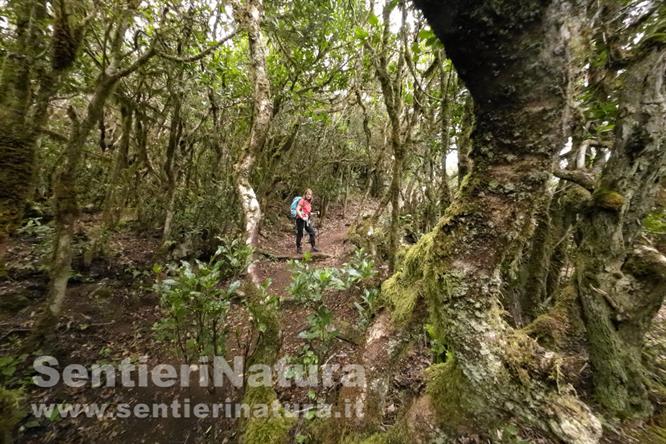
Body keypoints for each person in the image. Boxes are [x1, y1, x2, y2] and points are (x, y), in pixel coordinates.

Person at [295, 188, 319, 254]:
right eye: (308, 194)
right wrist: (301, 216)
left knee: (312, 232)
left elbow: (308, 212)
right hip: (300, 219)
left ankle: (313, 247)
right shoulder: (302, 201)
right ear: (305, 194)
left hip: (306, 219)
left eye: (310, 195)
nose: (309, 196)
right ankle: (298, 248)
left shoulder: (309, 203)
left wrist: (314, 213)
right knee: (300, 233)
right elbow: (297, 209)